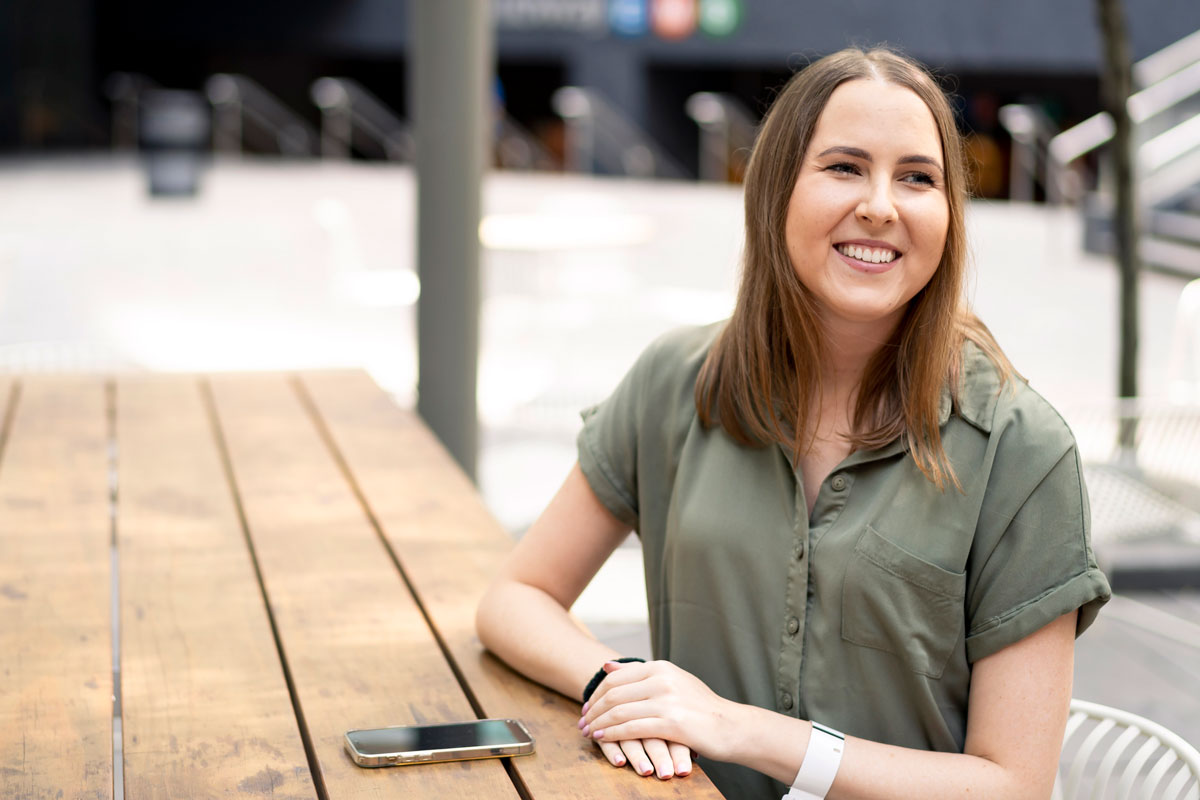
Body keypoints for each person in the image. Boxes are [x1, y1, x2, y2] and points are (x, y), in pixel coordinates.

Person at [476, 46, 1111, 800]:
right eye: (844, 167)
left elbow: (1014, 785)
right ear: (776, 190)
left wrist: (741, 730)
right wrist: (621, 686)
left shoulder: (1021, 449)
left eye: (917, 177)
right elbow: (515, 598)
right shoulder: (676, 382)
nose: (881, 204)